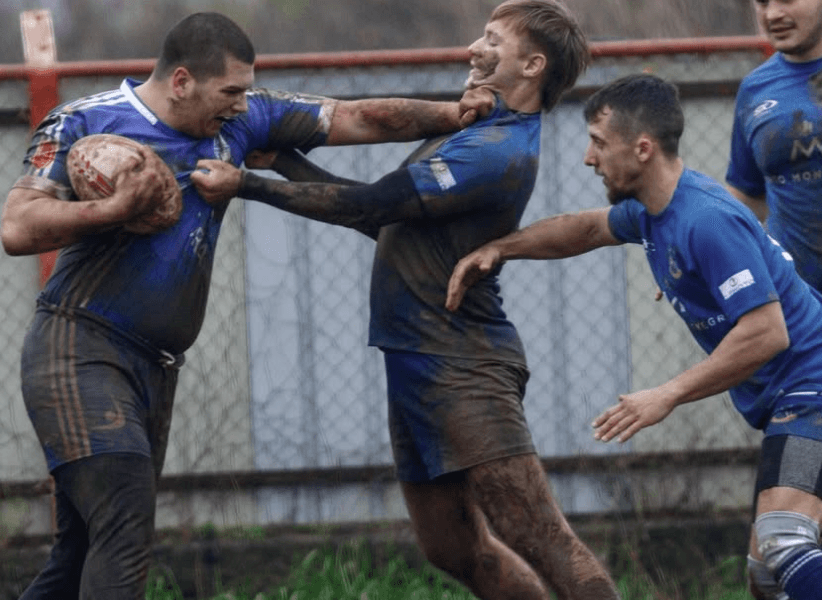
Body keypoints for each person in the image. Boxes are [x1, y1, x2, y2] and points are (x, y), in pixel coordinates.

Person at [0, 11, 491, 600]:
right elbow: (18, 226)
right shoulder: (86, 119)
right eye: (229, 91)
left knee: (82, 549)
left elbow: (354, 116)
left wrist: (453, 113)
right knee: (126, 527)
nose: (239, 104)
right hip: (78, 349)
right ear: (181, 81)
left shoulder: (243, 118)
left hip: (153, 365)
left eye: (244, 92)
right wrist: (110, 210)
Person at [191, 2, 621, 598]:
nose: (474, 47)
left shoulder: (494, 150)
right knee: (453, 549)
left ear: (532, 64)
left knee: (540, 538)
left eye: (492, 39)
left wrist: (247, 185)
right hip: (415, 362)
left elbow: (372, 204)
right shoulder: (473, 132)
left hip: (463, 365)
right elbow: (386, 218)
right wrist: (286, 161)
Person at [446, 73, 822, 600]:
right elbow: (584, 229)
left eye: (598, 143)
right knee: (767, 578)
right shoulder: (653, 213)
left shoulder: (706, 219)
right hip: (794, 400)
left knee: (784, 543)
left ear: (643, 148)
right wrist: (501, 249)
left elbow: (768, 333)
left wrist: (666, 394)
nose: (589, 158)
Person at [726, 0, 822, 564]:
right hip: (810, 337)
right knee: (779, 546)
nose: (772, 11)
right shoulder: (756, 91)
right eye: (761, 0)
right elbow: (743, 200)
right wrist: (699, 252)